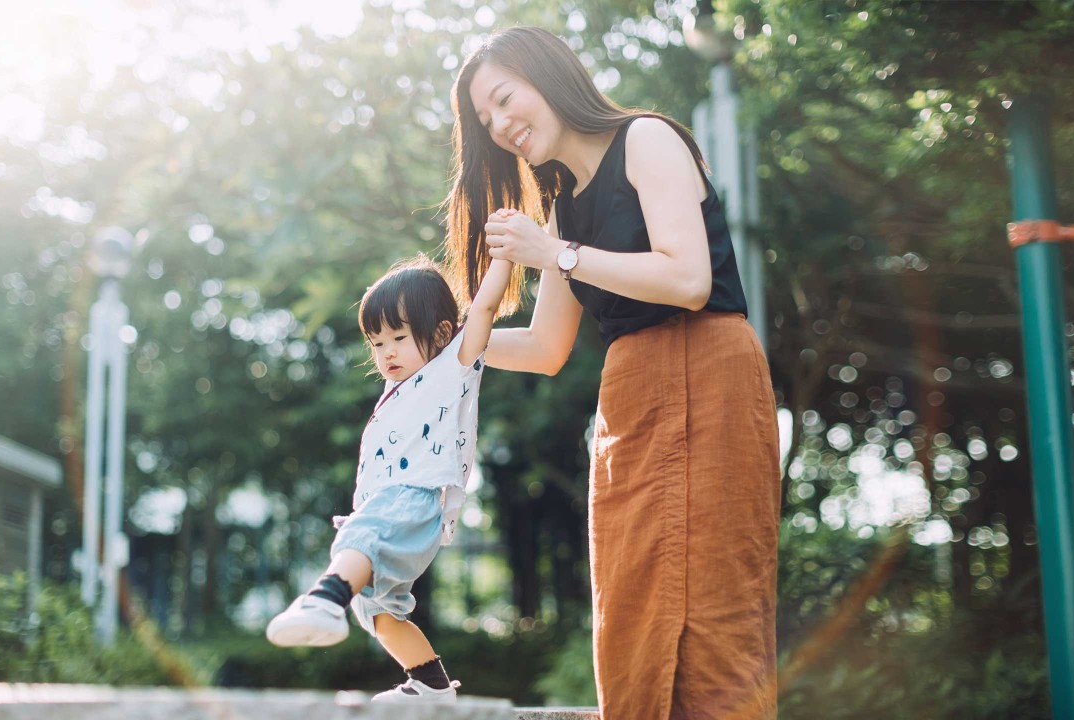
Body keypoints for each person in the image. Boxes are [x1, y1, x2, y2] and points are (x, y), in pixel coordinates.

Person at [445, 27, 781, 720]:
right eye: (486, 120)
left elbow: (688, 278)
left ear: (550, 77)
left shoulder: (648, 139)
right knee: (629, 607)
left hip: (709, 374)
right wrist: (442, 350)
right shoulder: (565, 204)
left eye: (506, 100)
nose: (502, 126)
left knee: (715, 607)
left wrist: (555, 253)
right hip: (630, 404)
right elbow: (545, 347)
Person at [265, 255, 513, 705]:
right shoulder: (396, 386)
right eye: (377, 343)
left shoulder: (452, 364)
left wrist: (505, 255)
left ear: (439, 333)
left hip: (416, 496)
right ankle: (431, 685)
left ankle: (326, 597)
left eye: (399, 338)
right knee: (377, 607)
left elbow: (483, 309)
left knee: (362, 539)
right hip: (389, 500)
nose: (387, 353)